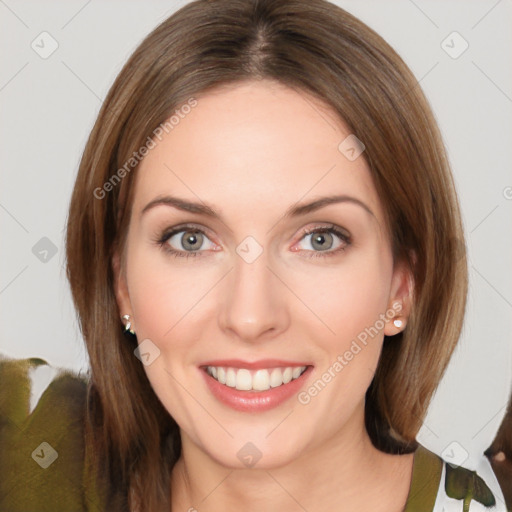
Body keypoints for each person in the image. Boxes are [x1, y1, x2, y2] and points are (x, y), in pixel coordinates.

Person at [0, 0, 509, 510]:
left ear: (403, 285)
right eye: (190, 239)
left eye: (320, 239)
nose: (250, 316)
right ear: (121, 283)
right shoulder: (27, 447)